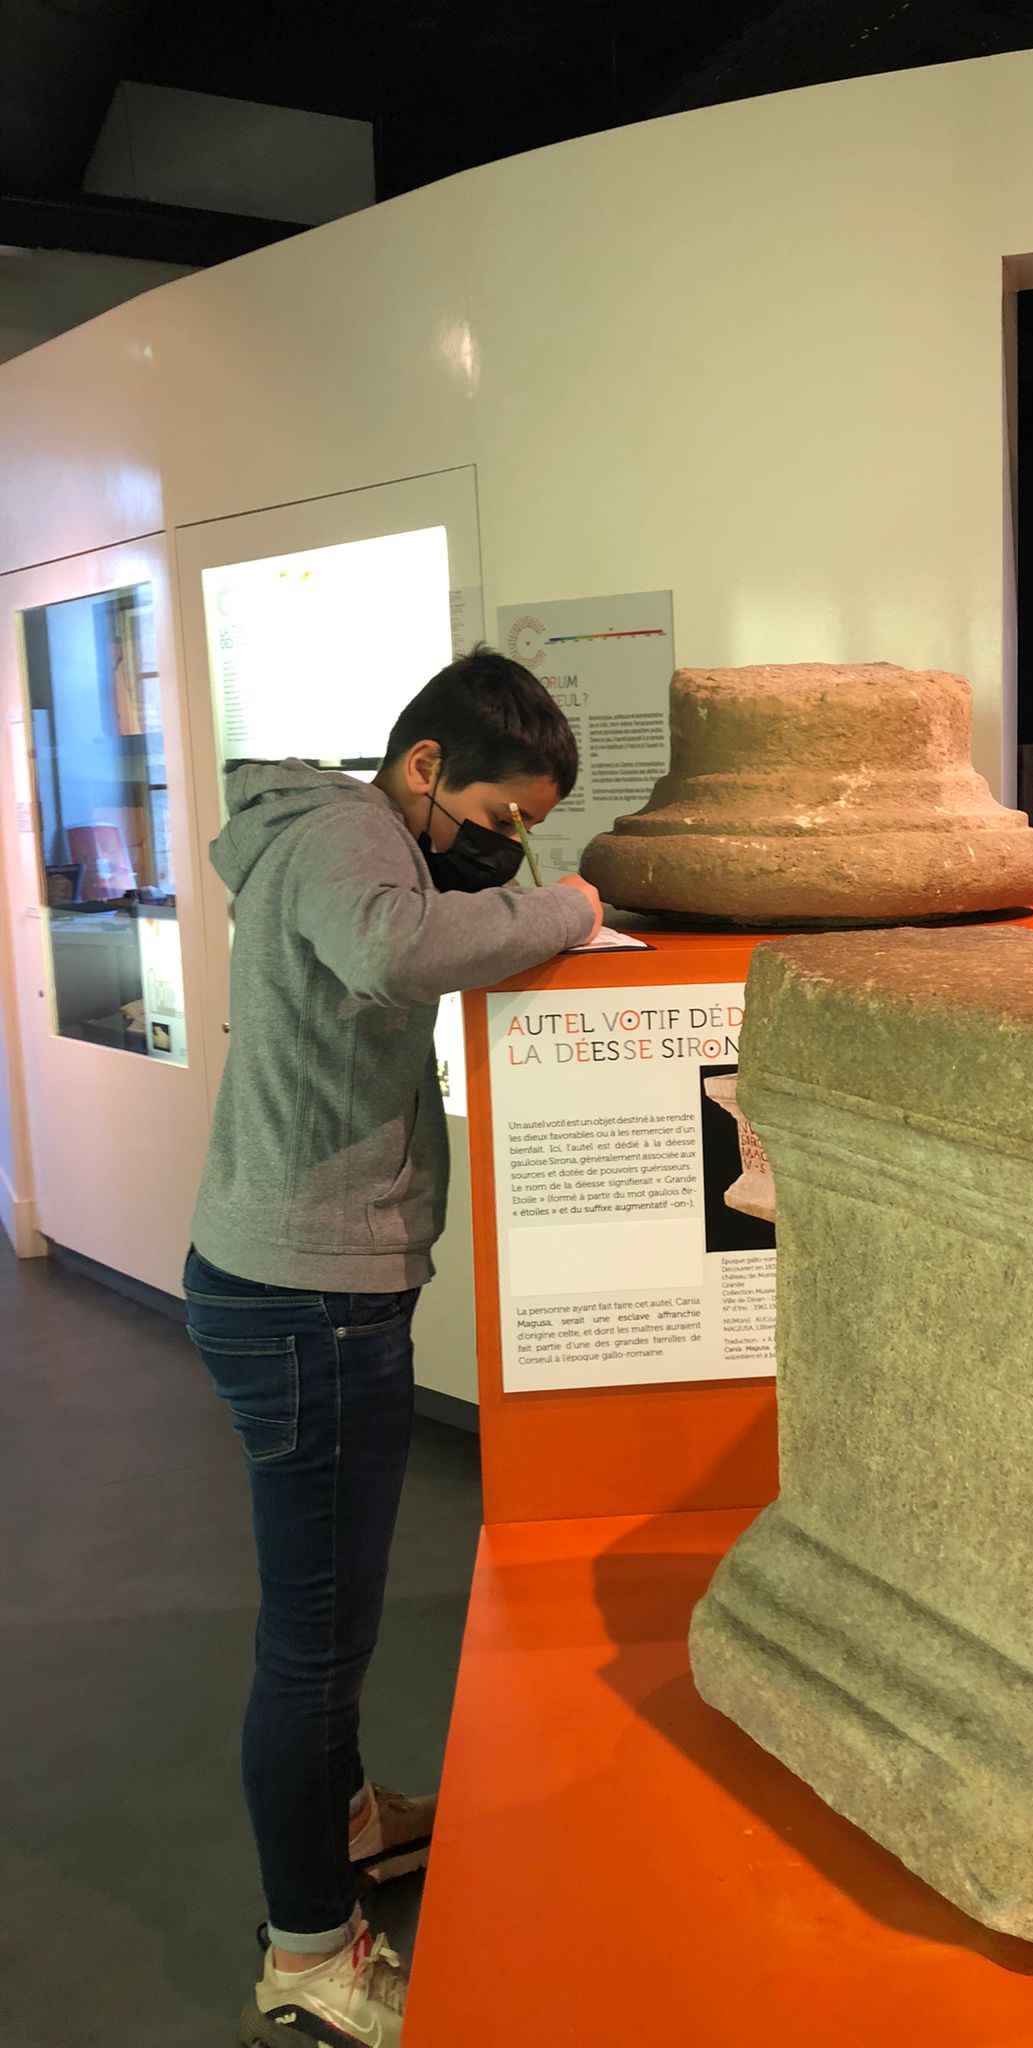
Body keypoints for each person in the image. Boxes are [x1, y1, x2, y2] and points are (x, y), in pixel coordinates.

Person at [184, 648, 601, 2048]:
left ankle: (349, 1816)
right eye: (499, 818)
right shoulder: (348, 836)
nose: (507, 847)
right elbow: (392, 948)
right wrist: (569, 907)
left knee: (330, 1623)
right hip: (307, 1302)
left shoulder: (342, 832)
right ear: (426, 767)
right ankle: (308, 1949)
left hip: (298, 1280)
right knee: (313, 1644)